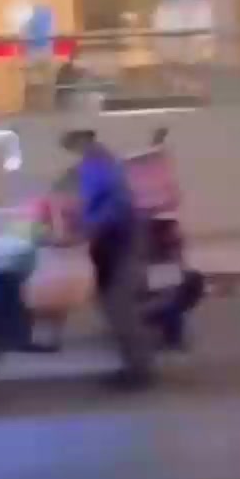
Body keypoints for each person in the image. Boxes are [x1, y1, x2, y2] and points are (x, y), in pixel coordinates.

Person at [66, 128, 154, 388]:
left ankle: (139, 371)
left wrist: (86, 228)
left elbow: (112, 208)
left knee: (120, 310)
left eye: (75, 143)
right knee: (112, 308)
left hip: (120, 244)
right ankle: (134, 367)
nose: (75, 149)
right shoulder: (96, 166)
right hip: (111, 245)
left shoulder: (101, 167)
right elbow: (91, 205)